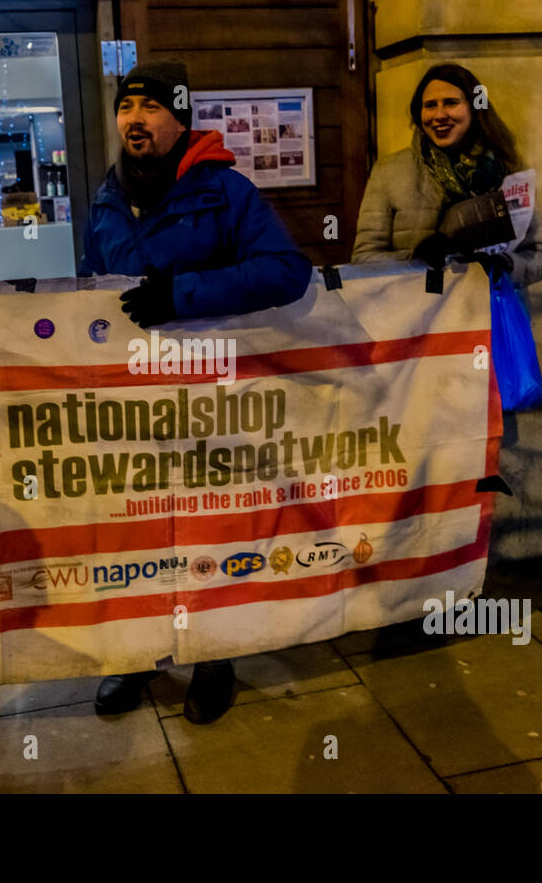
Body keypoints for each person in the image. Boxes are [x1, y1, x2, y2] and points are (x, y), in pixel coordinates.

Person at [79, 59, 312, 723]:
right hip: (132, 401)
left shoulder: (225, 190)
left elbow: (286, 271)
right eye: (126, 107)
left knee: (208, 531)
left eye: (150, 107)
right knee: (139, 531)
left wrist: (180, 294)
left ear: (180, 119)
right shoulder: (105, 197)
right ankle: (139, 655)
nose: (134, 119)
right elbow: (89, 287)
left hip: (209, 394)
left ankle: (214, 657)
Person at [351, 63, 542, 288]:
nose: (439, 115)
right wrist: (416, 259)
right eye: (430, 106)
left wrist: (504, 266)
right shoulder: (389, 172)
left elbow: (540, 255)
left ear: (475, 108)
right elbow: (364, 259)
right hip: (419, 316)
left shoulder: (509, 167)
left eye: (451, 103)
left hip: (491, 310)